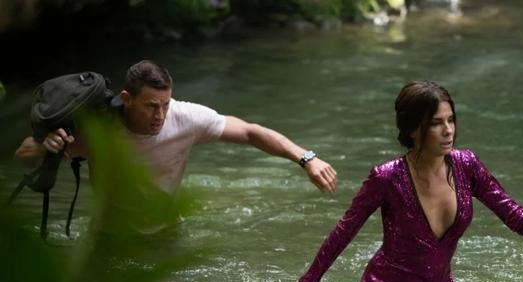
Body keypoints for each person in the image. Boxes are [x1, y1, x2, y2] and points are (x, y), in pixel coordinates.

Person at [291, 81, 523, 282]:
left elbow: (511, 211)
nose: (448, 130)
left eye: (451, 120)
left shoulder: (467, 166)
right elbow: (346, 230)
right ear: (413, 129)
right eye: (437, 123)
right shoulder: (386, 178)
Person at [14, 60, 337, 233]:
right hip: (109, 236)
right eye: (151, 106)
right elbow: (24, 157)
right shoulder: (98, 131)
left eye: (165, 104)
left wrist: (305, 158)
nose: (160, 115)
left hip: (166, 232)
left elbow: (251, 132)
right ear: (126, 100)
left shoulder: (185, 118)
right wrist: (46, 147)